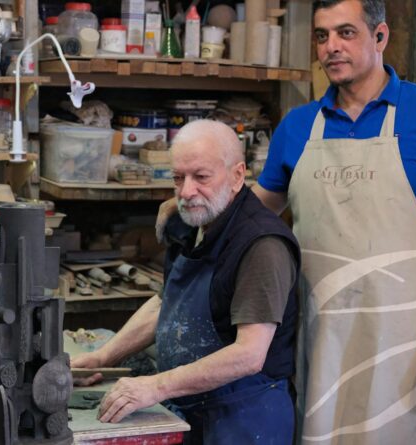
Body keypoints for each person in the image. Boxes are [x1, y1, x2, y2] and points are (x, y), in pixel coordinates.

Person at [157, 1, 416, 443]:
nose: (331, 47)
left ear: (380, 36)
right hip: (317, 334)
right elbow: (248, 215)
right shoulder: (297, 127)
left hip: (401, 342)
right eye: (322, 36)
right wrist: (190, 199)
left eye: (346, 33)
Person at [73, 119, 301, 444]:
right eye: (178, 178)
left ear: (237, 176)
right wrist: (103, 358)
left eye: (201, 177)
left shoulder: (261, 245)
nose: (186, 192)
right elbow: (167, 304)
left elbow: (249, 354)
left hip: (243, 419)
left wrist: (156, 385)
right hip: (192, 406)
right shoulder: (194, 221)